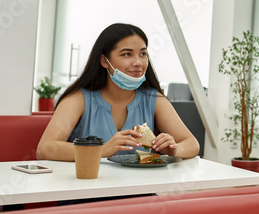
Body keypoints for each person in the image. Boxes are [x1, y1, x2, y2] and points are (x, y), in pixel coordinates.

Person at [36, 23, 200, 161]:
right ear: (104, 61)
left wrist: (174, 149)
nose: (138, 62)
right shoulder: (78, 99)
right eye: (127, 54)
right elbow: (45, 149)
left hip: (138, 194)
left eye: (143, 54)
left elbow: (192, 143)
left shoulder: (154, 99)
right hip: (86, 192)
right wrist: (102, 150)